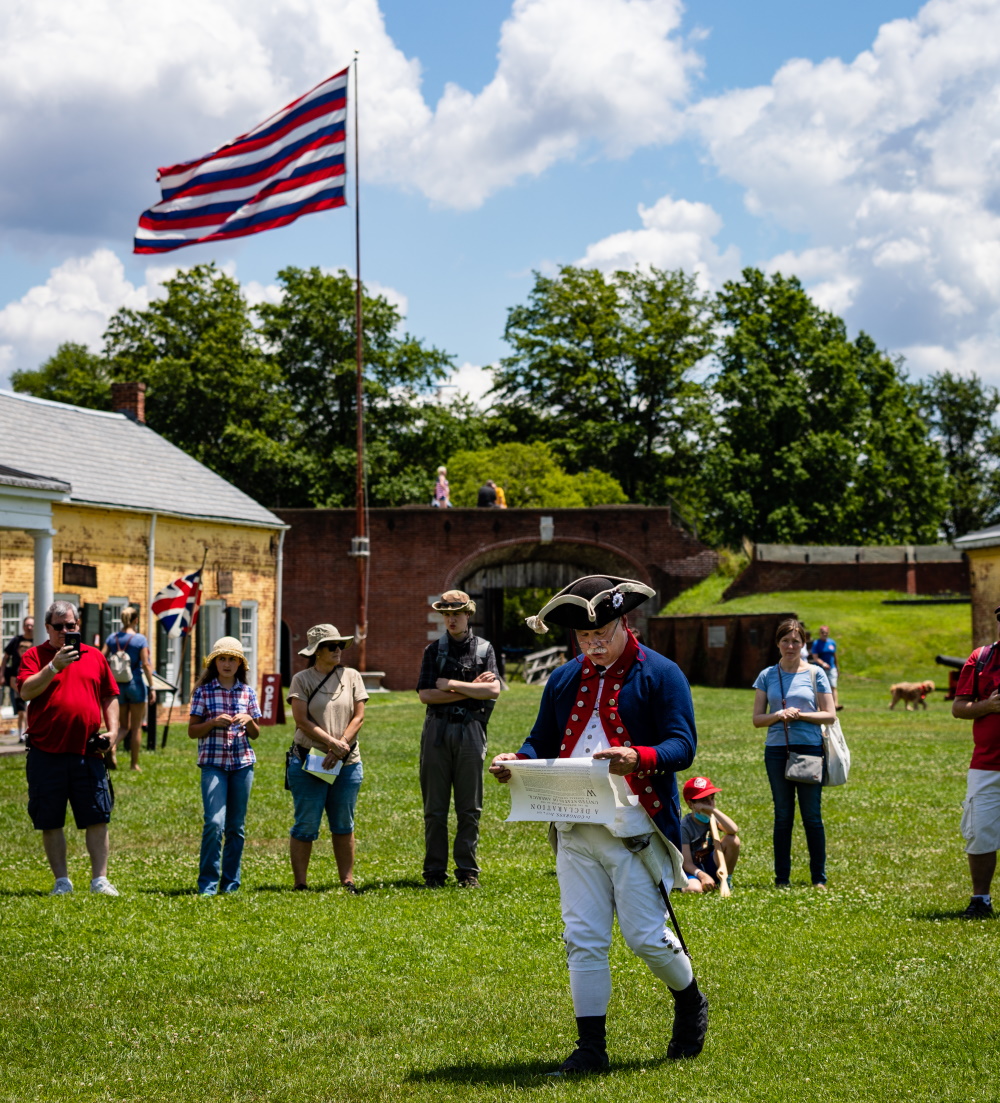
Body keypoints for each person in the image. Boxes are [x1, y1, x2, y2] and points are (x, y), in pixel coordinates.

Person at [490, 575, 707, 1075]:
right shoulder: (565, 678)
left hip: (635, 831)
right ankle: (591, 1048)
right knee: (582, 937)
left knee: (646, 939)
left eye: (602, 634)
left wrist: (637, 756)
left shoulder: (662, 673)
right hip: (573, 828)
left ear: (623, 624)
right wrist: (515, 761)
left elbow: (682, 745)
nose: (593, 646)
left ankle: (690, 1000)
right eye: (584, 639)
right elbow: (540, 740)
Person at [16, 601, 120, 895]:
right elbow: (25, 691)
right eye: (59, 627)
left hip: (88, 750)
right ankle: (62, 881)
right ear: (47, 628)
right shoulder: (34, 656)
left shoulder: (94, 656)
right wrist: (53, 667)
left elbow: (110, 695)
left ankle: (100, 879)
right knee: (50, 818)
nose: (65, 632)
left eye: (71, 626)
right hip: (45, 752)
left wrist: (112, 731)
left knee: (98, 816)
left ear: (78, 626)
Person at [416, 589, 501, 887]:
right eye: (447, 614)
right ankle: (434, 872)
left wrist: (450, 685)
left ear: (468, 614)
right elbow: (426, 695)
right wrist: (470, 688)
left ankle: (467, 871)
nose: (451, 619)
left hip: (471, 730)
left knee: (469, 806)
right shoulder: (432, 651)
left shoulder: (484, 650)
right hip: (436, 731)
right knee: (435, 808)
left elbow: (493, 691)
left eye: (457, 613)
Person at [753, 618, 836, 889]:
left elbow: (830, 715)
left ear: (804, 644)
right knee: (783, 815)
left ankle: (819, 879)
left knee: (812, 815)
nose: (791, 646)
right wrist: (778, 715)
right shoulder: (767, 675)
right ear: (777, 643)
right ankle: (782, 879)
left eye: (796, 641)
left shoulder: (815, 674)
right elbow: (757, 719)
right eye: (786, 641)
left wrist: (801, 715)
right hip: (777, 751)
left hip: (810, 749)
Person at [286, 624, 368, 893]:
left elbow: (359, 716)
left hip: (347, 761)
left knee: (344, 823)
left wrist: (341, 745)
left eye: (339, 646)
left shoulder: (352, 676)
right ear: (316, 652)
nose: (337, 650)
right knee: (306, 823)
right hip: (310, 760)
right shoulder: (302, 679)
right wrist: (330, 743)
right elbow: (301, 720)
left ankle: (347, 880)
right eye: (331, 646)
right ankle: (300, 883)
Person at [188, 636, 262, 895]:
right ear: (214, 663)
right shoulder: (204, 692)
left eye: (232, 659)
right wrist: (211, 723)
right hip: (213, 764)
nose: (227, 664)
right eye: (222, 659)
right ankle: (207, 885)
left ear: (240, 663)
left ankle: (230, 884)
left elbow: (255, 734)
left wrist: (249, 720)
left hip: (242, 764)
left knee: (236, 828)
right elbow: (192, 731)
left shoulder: (247, 692)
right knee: (214, 823)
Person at [950, 604, 1000, 918]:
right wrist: (988, 706)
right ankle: (980, 899)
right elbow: (958, 707)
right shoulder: (981, 658)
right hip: (986, 764)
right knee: (980, 832)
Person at [103, 606, 153, 772]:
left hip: (117, 686)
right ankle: (134, 764)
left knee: (122, 726)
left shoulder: (112, 638)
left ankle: (112, 746)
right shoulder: (140, 640)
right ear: (136, 620)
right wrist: (152, 686)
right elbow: (145, 664)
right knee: (136, 726)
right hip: (136, 684)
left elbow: (101, 657)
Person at [679, 775, 741, 893]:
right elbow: (686, 863)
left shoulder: (711, 817)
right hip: (693, 870)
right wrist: (702, 876)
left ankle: (725, 881)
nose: (709, 804)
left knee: (733, 840)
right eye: (703, 801)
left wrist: (713, 810)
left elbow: (733, 829)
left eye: (712, 798)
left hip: (710, 863)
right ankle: (699, 882)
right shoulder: (684, 827)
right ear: (691, 804)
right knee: (695, 889)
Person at [1, 615, 34, 743]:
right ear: (23, 626)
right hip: (17, 681)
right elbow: (5, 658)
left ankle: (30, 733)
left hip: (33, 681)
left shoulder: (39, 639)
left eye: (31, 625)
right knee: (21, 712)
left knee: (31, 712)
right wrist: (2, 674)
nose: (29, 628)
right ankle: (21, 735)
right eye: (27, 625)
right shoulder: (16, 640)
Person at [809, 624, 841, 710]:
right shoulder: (816, 643)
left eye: (826, 632)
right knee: (819, 687)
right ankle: (819, 706)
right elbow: (815, 657)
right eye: (823, 632)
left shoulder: (832, 642)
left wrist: (837, 667)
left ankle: (835, 705)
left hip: (832, 668)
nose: (824, 634)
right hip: (820, 669)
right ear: (820, 633)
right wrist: (823, 664)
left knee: (833, 686)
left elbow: (834, 656)